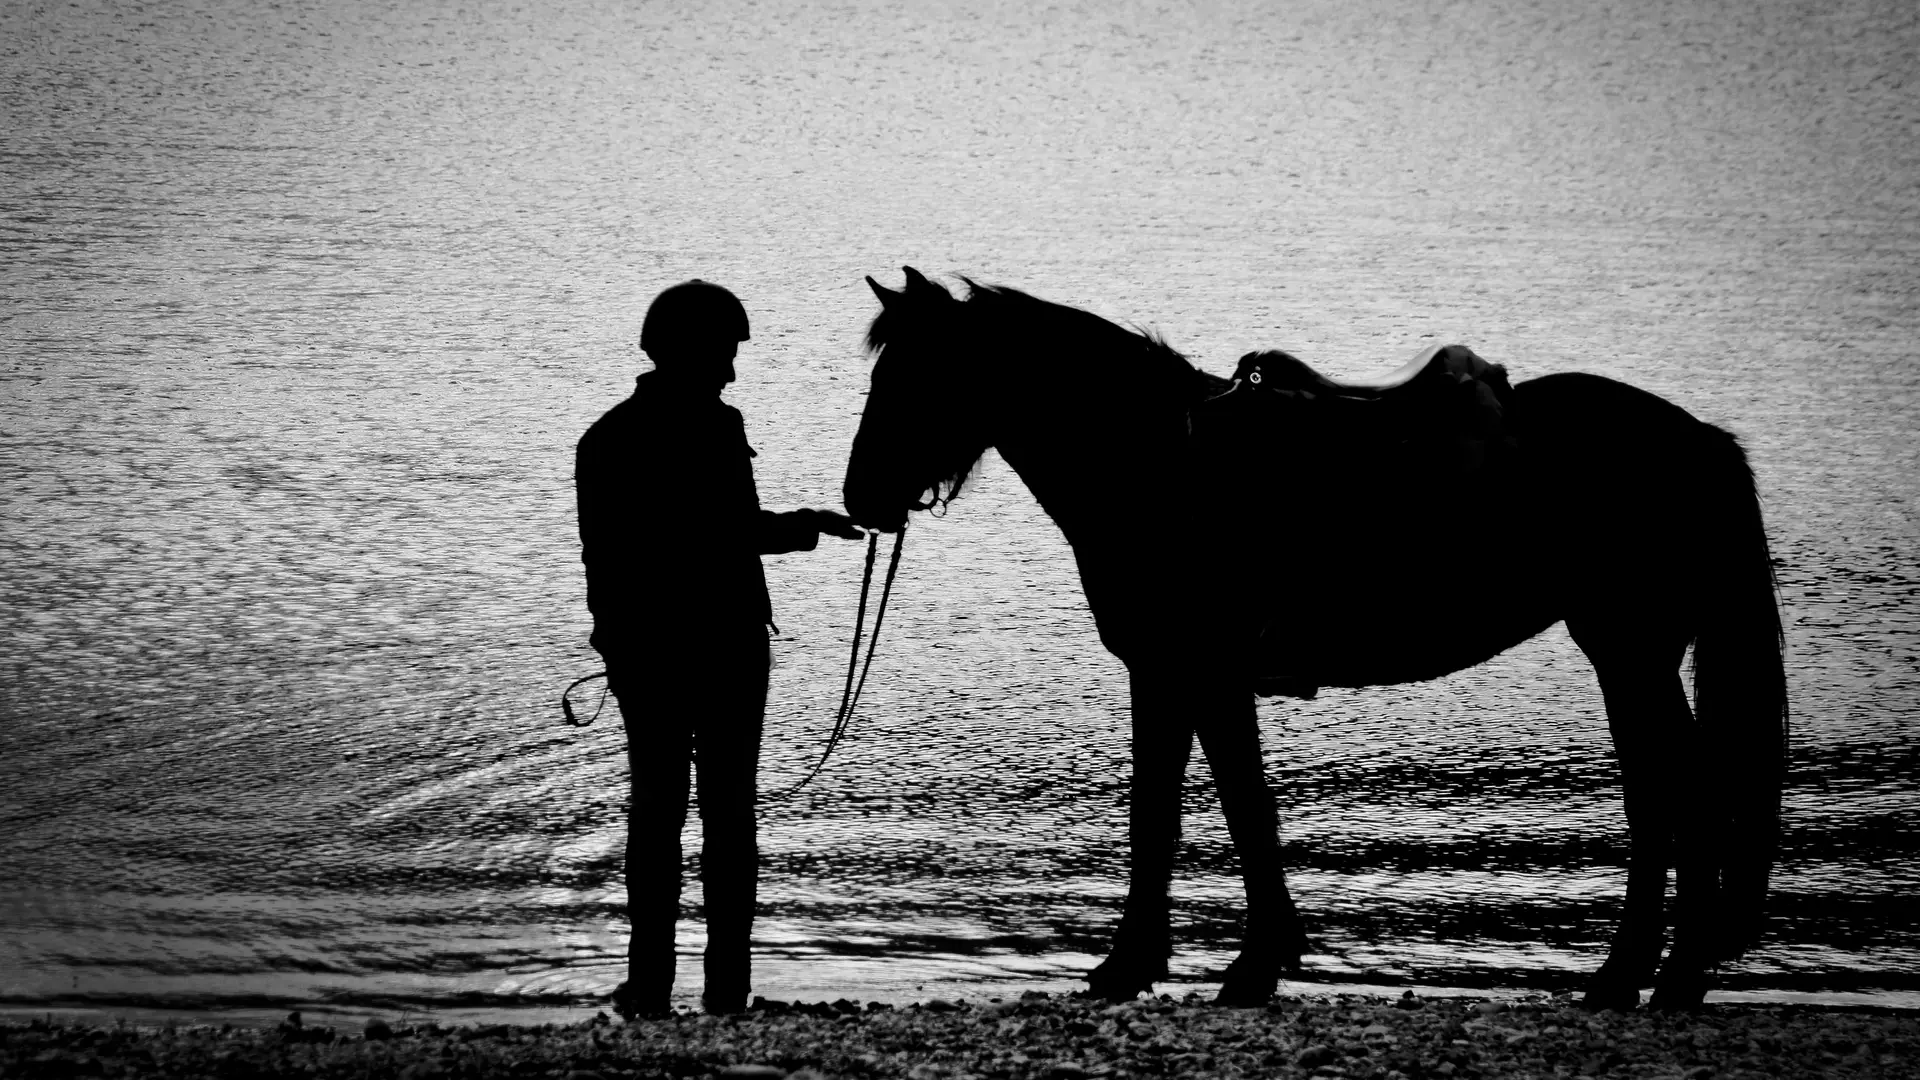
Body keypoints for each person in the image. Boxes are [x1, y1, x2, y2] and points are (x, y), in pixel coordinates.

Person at [575, 280, 863, 1017]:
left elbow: (602, 563)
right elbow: (726, 531)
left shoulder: (601, 439)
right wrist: (806, 526)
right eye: (726, 353)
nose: (733, 371)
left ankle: (648, 987)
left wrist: (616, 646)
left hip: (642, 656)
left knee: (656, 809)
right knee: (730, 816)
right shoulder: (714, 426)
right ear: (692, 351)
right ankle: (727, 993)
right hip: (726, 649)